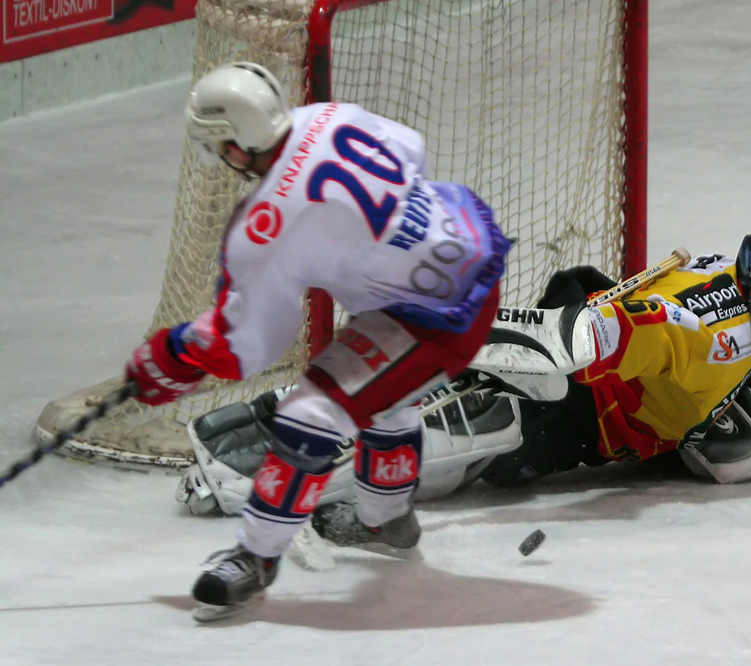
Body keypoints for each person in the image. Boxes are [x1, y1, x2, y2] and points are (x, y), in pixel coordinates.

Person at [177, 214, 751, 539]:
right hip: (579, 399)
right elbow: (577, 340)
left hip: (596, 383)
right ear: (750, 261)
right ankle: (262, 466)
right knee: (477, 422)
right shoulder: (693, 318)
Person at [125, 62, 510, 621]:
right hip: (469, 234)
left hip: (437, 316)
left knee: (311, 412)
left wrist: (174, 356)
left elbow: (247, 346)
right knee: (379, 396)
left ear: (236, 144)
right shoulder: (328, 117)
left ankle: (255, 559)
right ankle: (387, 519)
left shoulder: (266, 225)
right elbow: (411, 147)